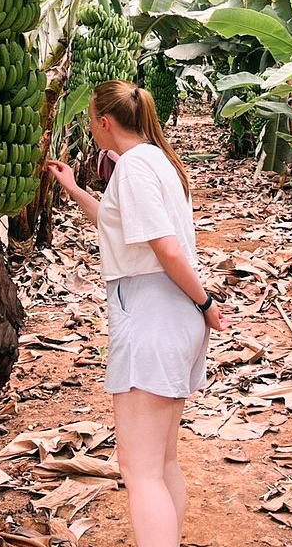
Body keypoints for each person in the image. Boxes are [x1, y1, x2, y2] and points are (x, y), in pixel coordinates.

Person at [48, 81, 230, 547]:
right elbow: (122, 227)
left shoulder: (132, 168)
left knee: (139, 470)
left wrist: (206, 303)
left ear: (105, 123)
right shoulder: (156, 162)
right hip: (171, 315)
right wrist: (73, 189)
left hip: (155, 313)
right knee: (162, 462)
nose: (90, 128)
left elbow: (166, 250)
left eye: (91, 120)